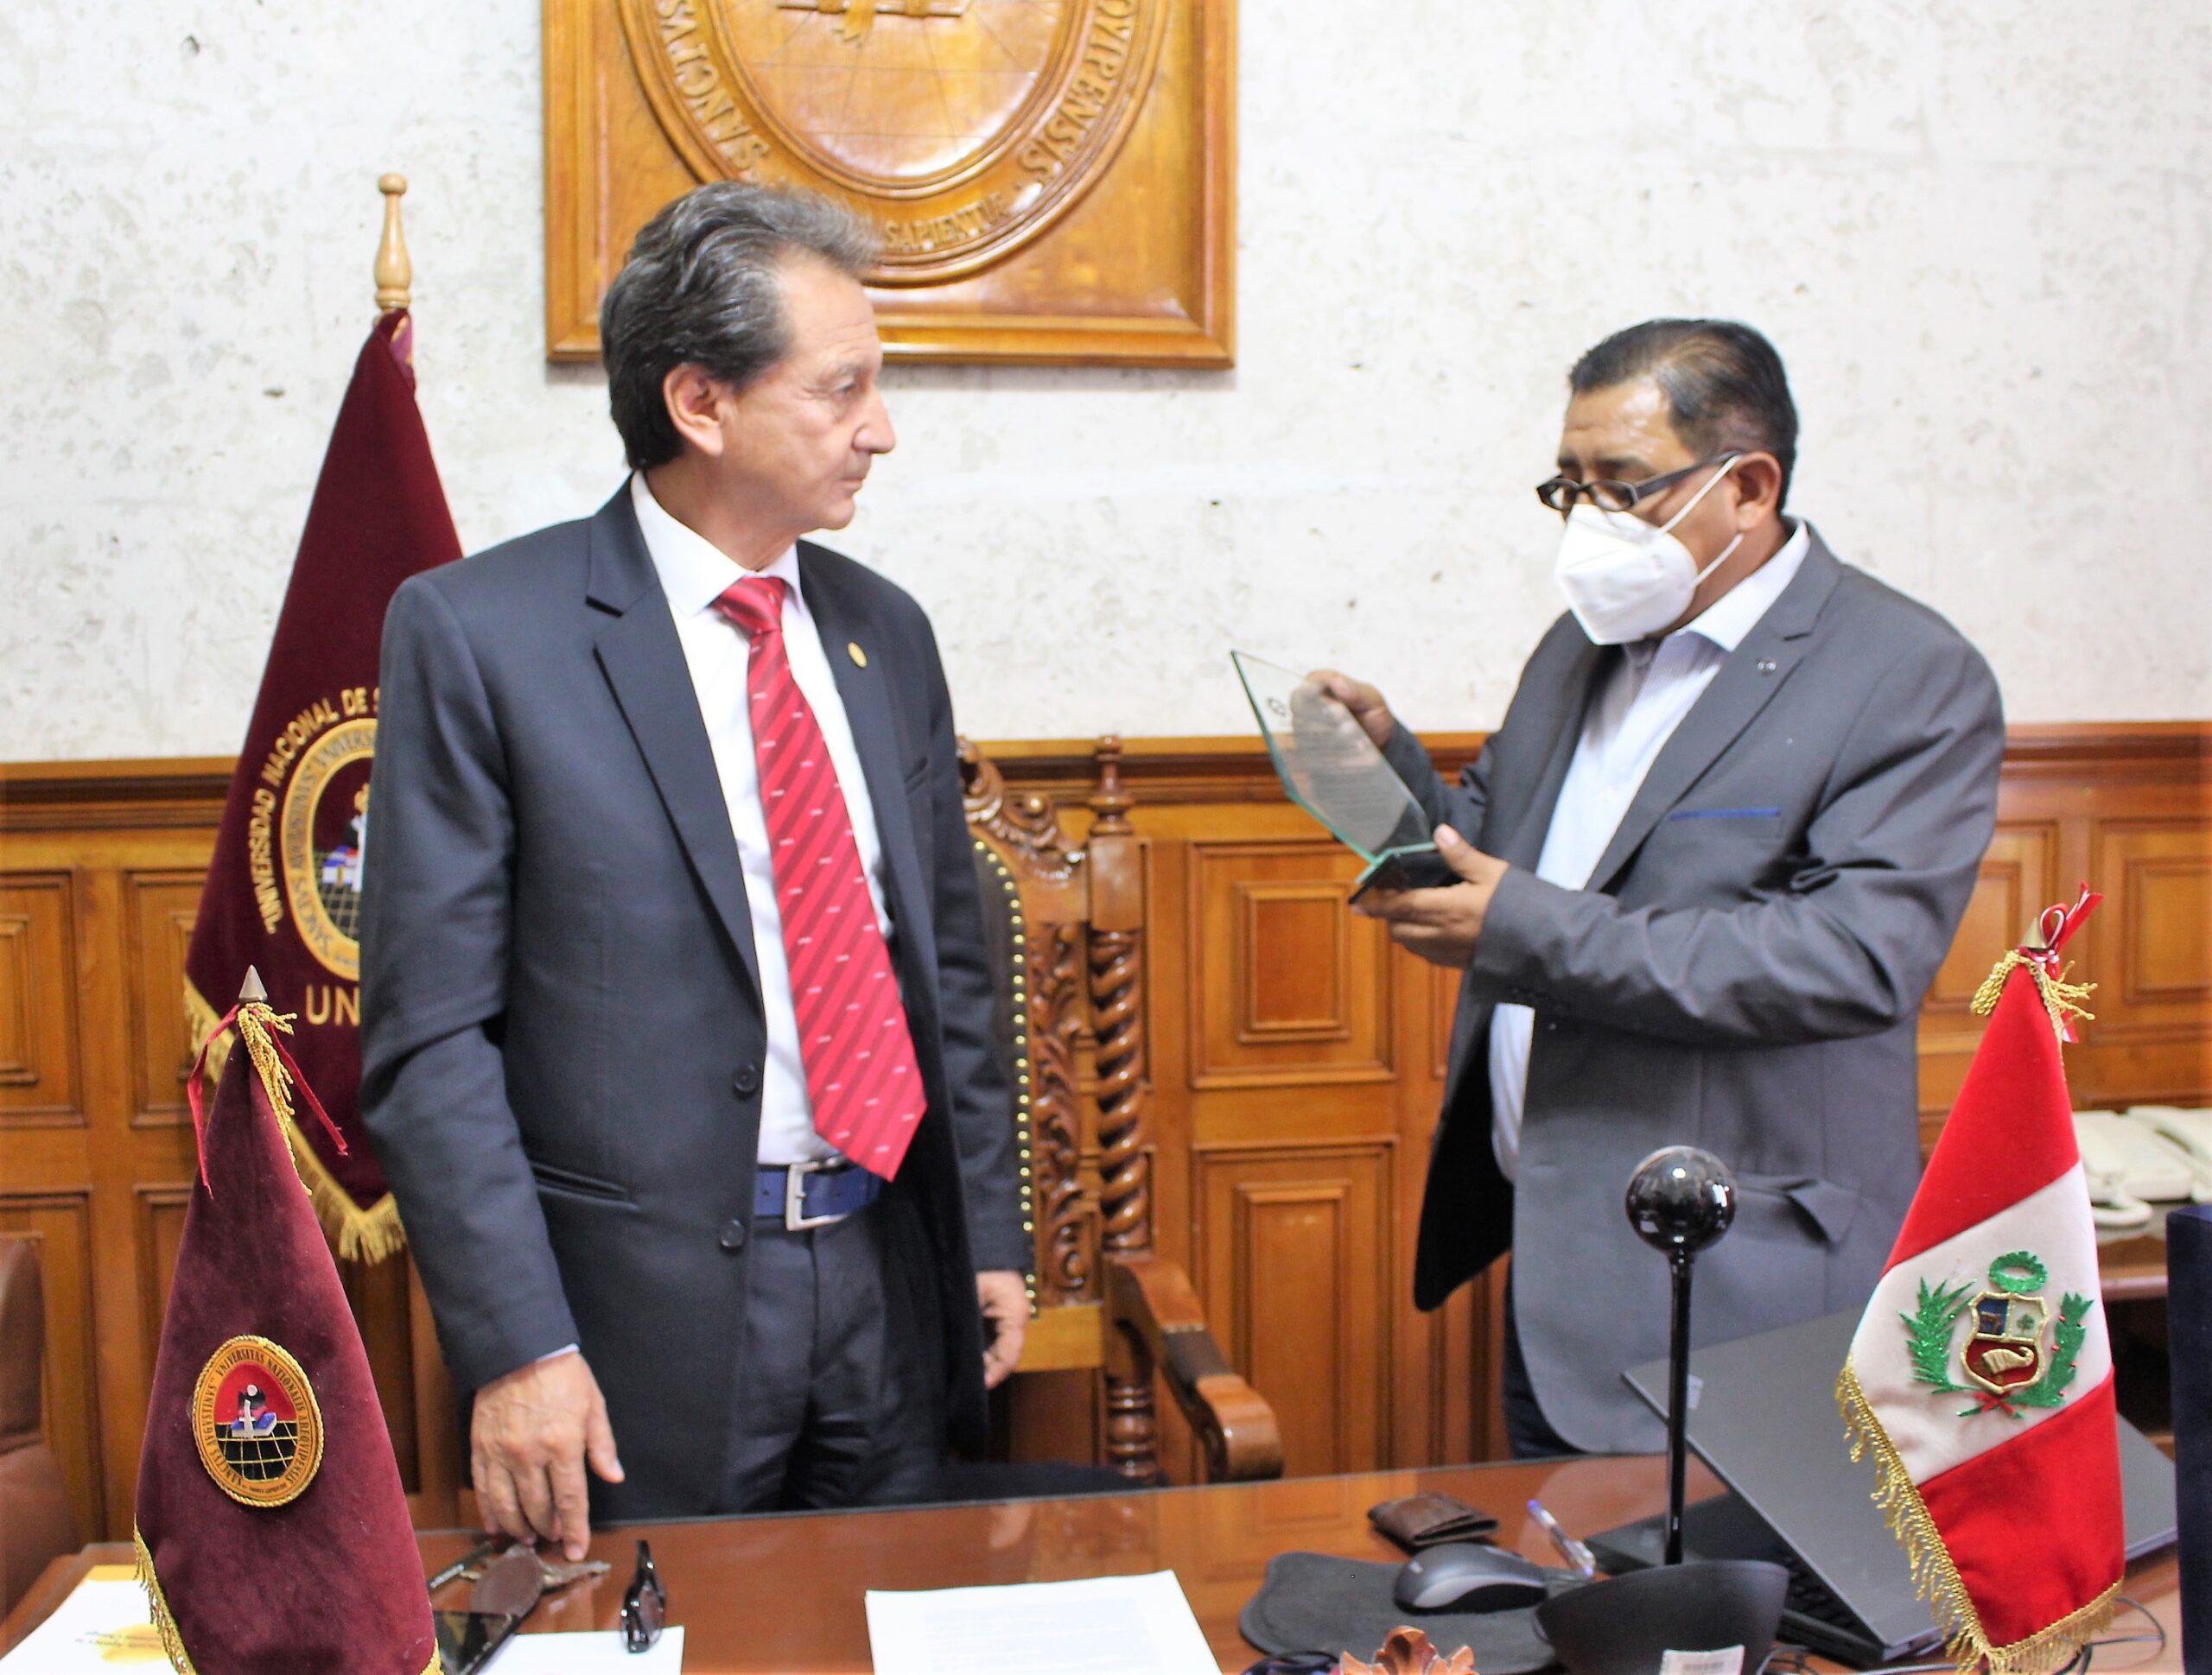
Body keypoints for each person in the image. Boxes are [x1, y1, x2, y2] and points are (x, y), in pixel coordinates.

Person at [359, 183, 1030, 1556]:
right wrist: (519, 1345)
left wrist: (990, 1237)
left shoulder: (884, 633)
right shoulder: (483, 635)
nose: (881, 429)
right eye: (841, 389)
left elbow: (949, 974)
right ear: (701, 403)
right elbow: (431, 1042)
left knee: (885, 1630)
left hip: (891, 1287)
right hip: (634, 1330)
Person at [1319, 319, 2003, 1456]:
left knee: (1719, 1576)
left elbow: (1848, 960)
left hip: (1736, 1285)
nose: (1589, 520)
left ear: (1749, 486)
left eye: (1624, 486)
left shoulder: (1903, 670)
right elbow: (1501, 848)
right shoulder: (1578, 645)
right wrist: (1383, 769)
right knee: (1566, 1569)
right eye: (1569, 485)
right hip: (1557, 1258)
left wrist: (1522, 925)